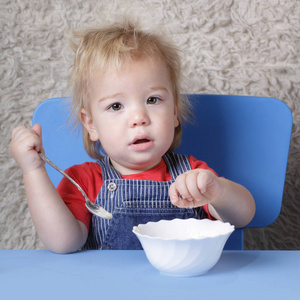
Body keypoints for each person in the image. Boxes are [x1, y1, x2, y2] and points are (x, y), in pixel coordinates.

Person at [10, 20, 255, 253]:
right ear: (92, 124)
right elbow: (63, 242)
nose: (139, 117)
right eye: (116, 106)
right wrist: (34, 172)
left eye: (152, 100)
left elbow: (243, 217)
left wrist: (218, 191)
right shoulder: (85, 181)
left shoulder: (190, 173)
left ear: (174, 112)